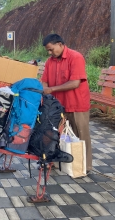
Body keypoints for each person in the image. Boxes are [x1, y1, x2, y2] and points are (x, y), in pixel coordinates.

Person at [41, 33, 92, 173]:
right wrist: (45, 88)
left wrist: (51, 89)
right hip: (58, 105)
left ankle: (84, 166)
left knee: (81, 135)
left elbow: (75, 82)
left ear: (60, 44)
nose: (50, 53)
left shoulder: (75, 57)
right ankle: (58, 163)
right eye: (48, 51)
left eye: (51, 49)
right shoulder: (50, 61)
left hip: (76, 103)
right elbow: (44, 80)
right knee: (57, 134)